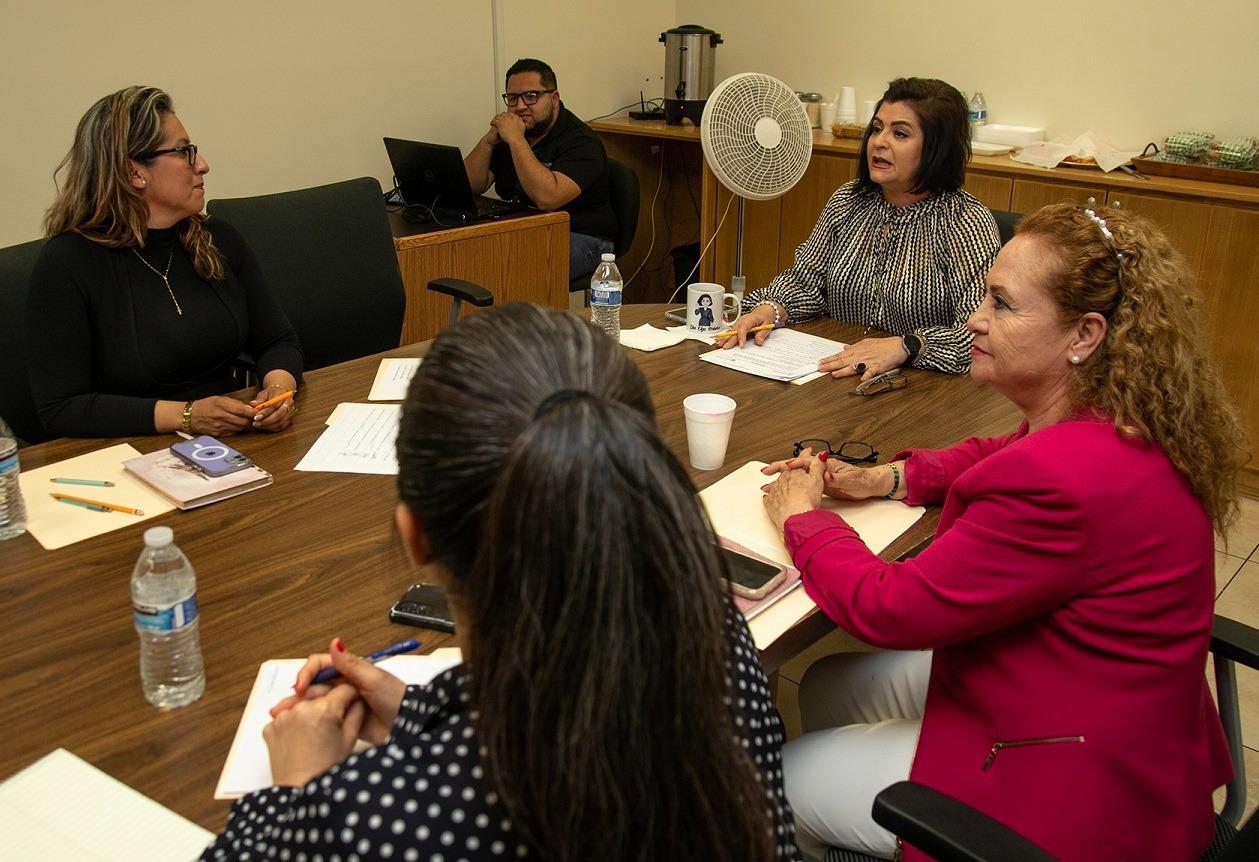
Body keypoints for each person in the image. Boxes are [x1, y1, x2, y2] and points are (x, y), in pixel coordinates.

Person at [202, 304, 802, 862]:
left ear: (416, 536)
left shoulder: (369, 822)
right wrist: (414, 710)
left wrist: (300, 789)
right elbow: (569, 686)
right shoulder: (715, 628)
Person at [759, 202, 1246, 861]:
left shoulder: (1060, 482)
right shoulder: (1119, 415)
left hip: (1079, 779)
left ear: (1084, 335)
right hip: (1111, 705)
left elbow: (887, 606)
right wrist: (888, 480)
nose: (973, 319)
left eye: (1001, 304)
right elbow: (996, 451)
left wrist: (802, 517)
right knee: (824, 684)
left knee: (777, 781)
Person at [27, 85, 301, 439]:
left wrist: (279, 390)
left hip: (233, 441)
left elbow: (278, 339)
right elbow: (61, 408)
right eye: (184, 152)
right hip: (127, 455)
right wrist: (187, 416)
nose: (202, 165)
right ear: (134, 173)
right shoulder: (69, 263)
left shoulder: (217, 238)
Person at [723, 78, 999, 380]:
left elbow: (980, 335)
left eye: (900, 134)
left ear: (936, 149)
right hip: (839, 375)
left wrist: (908, 346)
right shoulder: (849, 200)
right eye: (877, 128)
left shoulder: (966, 222)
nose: (879, 142)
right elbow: (806, 283)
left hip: (927, 392)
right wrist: (769, 310)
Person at [463, 58, 617, 280]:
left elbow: (548, 198)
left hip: (584, 237)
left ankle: (529, 316)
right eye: (513, 98)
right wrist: (488, 142)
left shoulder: (582, 141)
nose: (520, 106)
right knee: (471, 252)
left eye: (531, 96)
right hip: (527, 229)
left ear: (554, 99)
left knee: (505, 265)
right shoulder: (515, 133)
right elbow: (472, 185)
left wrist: (517, 141)